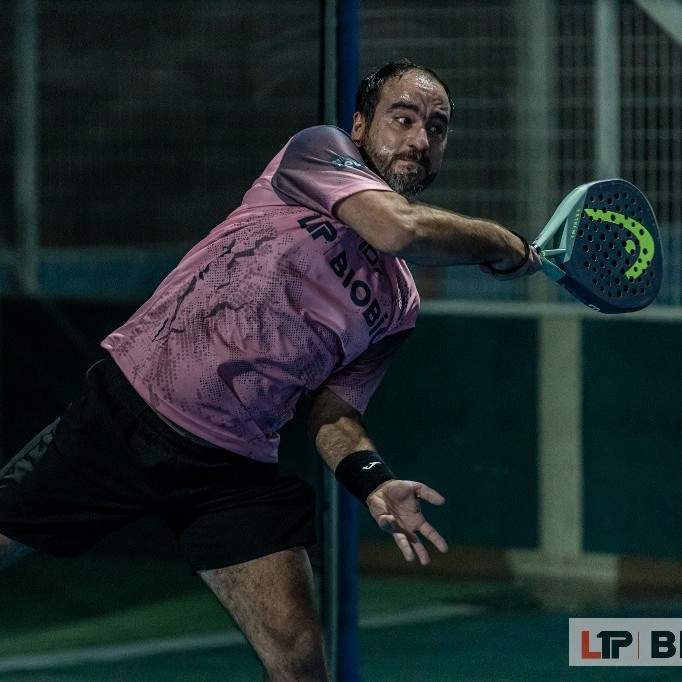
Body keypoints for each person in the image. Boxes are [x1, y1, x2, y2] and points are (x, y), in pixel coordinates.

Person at [0, 59, 540, 680]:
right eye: (403, 118)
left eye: (437, 128)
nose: (420, 138)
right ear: (360, 126)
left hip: (230, 474)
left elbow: (334, 414)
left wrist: (374, 481)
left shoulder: (399, 303)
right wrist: (505, 245)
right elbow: (397, 227)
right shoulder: (319, 153)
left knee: (300, 659)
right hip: (125, 417)